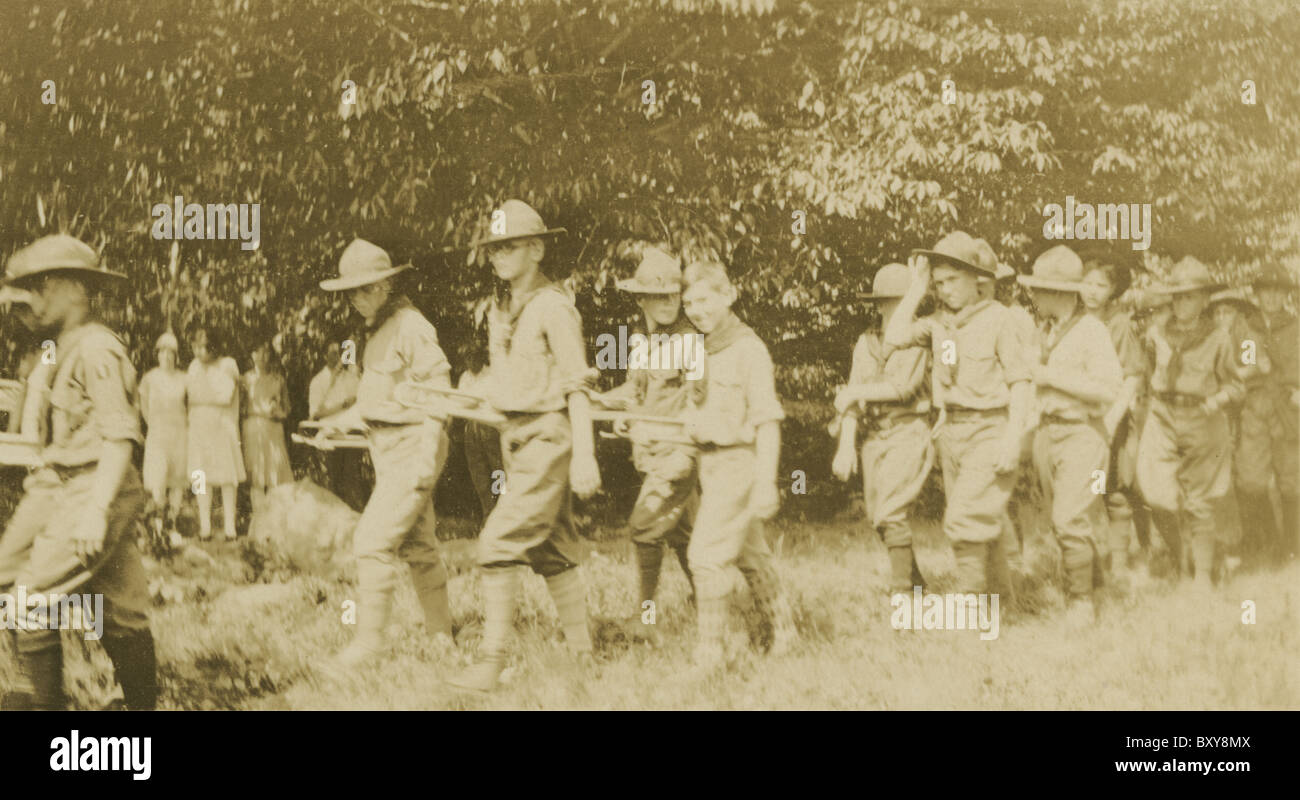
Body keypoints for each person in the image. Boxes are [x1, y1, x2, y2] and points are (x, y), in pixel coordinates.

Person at [447, 200, 601, 693]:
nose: (497, 257)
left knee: (496, 544)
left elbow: (578, 384)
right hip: (515, 441)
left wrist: (585, 454)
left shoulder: (554, 307)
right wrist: (470, 393)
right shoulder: (500, 310)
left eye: (508, 246)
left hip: (550, 439)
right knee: (553, 550)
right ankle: (582, 656)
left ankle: (491, 662)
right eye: (492, 249)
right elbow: (504, 384)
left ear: (536, 249)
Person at [0, 234, 156, 710]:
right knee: (120, 608)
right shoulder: (58, 349)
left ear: (73, 289)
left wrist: (95, 511)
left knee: (28, 598)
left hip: (94, 485)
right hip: (61, 483)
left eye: (39, 286)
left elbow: (119, 437)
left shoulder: (95, 349)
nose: (30, 300)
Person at [318, 239, 455, 667]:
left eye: (364, 289)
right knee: (418, 545)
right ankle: (441, 637)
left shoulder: (411, 326)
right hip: (390, 449)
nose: (356, 299)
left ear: (385, 286)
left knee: (371, 541)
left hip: (415, 448)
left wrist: (425, 459)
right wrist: (335, 424)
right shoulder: (376, 333)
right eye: (351, 292)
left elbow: (440, 390)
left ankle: (368, 645)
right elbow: (379, 402)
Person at [885, 232, 1033, 596]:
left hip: (990, 428)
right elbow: (894, 334)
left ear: (976, 279)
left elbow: (1022, 383)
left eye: (953, 280)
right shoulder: (938, 323)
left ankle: (971, 604)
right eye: (939, 282)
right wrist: (917, 288)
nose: (945, 289)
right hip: (953, 432)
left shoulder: (1000, 319)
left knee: (965, 519)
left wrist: (1013, 439)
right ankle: (1001, 602)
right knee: (985, 521)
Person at [679, 259, 797, 670]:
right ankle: (786, 634)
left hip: (739, 465)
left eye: (705, 299)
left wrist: (766, 482)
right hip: (710, 467)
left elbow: (767, 420)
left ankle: (710, 657)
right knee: (750, 554)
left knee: (706, 557)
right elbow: (692, 410)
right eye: (689, 301)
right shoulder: (700, 348)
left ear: (728, 295)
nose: (697, 309)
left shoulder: (750, 349)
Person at [593, 246, 701, 634]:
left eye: (673, 294)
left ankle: (646, 619)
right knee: (682, 533)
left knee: (644, 527)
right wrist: (604, 402)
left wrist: (657, 430)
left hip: (677, 452)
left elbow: (696, 401)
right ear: (640, 299)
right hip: (651, 452)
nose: (667, 303)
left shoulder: (690, 341)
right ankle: (707, 601)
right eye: (657, 296)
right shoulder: (640, 338)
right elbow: (636, 389)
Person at [1018, 246, 1124, 624]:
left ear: (1062, 293)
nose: (1035, 296)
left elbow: (1108, 389)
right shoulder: (1042, 331)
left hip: (1082, 433)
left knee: (1068, 518)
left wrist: (1052, 378)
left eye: (1041, 290)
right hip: (1049, 432)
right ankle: (1097, 585)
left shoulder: (1092, 331)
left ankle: (1080, 603)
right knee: (1061, 518)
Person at [1135, 257, 1244, 590]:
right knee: (1156, 494)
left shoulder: (1218, 337)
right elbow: (1146, 372)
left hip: (1202, 418)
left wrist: (1217, 399)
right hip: (1163, 416)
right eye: (1178, 296)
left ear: (1204, 299)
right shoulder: (1157, 333)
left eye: (1190, 296)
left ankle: (1200, 575)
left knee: (1200, 500)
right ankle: (1182, 555)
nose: (1182, 303)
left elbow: (1236, 386)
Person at [831, 262, 933, 595]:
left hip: (908, 430)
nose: (895, 307)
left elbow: (901, 388)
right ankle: (915, 582)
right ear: (877, 304)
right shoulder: (866, 342)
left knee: (892, 511)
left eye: (902, 299)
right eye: (888, 300)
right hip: (875, 436)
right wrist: (846, 446)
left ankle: (902, 595)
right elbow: (852, 397)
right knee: (880, 517)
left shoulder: (917, 337)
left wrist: (854, 393)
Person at [1078, 245, 1153, 581]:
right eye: (1087, 283)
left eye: (1100, 286)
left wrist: (1111, 420)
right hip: (1076, 416)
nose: (1092, 292)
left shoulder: (1118, 323)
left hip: (1110, 417)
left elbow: (1131, 375)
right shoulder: (1072, 319)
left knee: (1115, 486)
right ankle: (1085, 560)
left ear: (1113, 291)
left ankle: (1121, 562)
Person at [1206, 288, 1269, 567]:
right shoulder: (1212, 337)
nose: (1222, 317)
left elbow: (1253, 367)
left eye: (1227, 312)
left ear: (1238, 313)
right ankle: (1240, 541)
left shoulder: (1246, 335)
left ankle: (1264, 538)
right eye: (1217, 312)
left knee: (1250, 477)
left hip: (1251, 406)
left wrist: (1225, 382)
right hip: (1225, 407)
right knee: (1228, 477)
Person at [1248, 266, 1298, 560]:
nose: (1271, 297)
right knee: (1250, 478)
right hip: (1255, 408)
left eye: (1277, 291)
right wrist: (1256, 365)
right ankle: (1267, 540)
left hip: (1289, 409)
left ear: (1285, 295)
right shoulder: (1247, 327)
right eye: (1265, 291)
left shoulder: (1296, 327)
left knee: (1291, 479)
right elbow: (1241, 363)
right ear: (1257, 295)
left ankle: (1292, 547)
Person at [186, 324, 245, 540]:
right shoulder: (193, 367)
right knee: (201, 476)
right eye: (195, 347)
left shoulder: (227, 365)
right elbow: (191, 397)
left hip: (222, 426)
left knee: (227, 477)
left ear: (213, 346)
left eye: (203, 347)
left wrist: (202, 397)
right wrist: (202, 397)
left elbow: (225, 396)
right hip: (199, 427)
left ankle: (230, 527)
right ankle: (205, 526)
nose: (199, 352)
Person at [139, 331, 188, 543]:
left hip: (180, 435)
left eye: (171, 353)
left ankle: (172, 525)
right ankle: (157, 527)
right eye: (163, 352)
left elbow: (190, 405)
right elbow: (143, 407)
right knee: (158, 481)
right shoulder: (149, 378)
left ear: (176, 356)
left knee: (177, 482)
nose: (167, 356)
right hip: (158, 434)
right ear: (157, 354)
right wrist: (155, 426)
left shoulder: (184, 378)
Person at [308, 339, 366, 511]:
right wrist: (341, 406)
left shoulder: (352, 378)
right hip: (329, 435)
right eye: (333, 353)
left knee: (351, 477)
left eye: (340, 353)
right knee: (331, 481)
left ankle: (353, 517)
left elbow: (361, 403)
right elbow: (314, 414)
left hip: (351, 434)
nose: (338, 357)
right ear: (325, 356)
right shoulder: (318, 381)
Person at [242, 341, 294, 528]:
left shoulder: (278, 379)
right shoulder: (245, 380)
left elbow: (287, 408)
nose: (262, 357)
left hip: (273, 429)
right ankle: (259, 522)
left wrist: (278, 413)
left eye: (266, 353)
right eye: (258, 352)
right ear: (252, 355)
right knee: (256, 477)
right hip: (253, 428)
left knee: (274, 474)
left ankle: (276, 522)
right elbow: (239, 409)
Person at [454, 335, 503, 519]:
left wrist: (467, 400)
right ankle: (489, 515)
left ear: (480, 357)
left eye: (472, 357)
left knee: (498, 471)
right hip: (472, 428)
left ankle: (503, 512)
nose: (469, 362)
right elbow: (461, 403)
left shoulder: (492, 375)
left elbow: (470, 400)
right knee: (479, 474)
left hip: (490, 428)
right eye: (466, 358)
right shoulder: (465, 377)